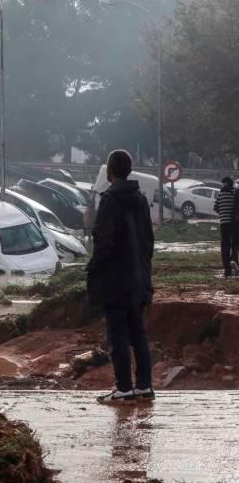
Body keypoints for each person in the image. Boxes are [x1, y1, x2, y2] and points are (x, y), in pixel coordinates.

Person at [87, 150, 154, 404]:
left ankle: (123, 388)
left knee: (117, 335)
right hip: (138, 278)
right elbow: (149, 240)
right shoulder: (141, 199)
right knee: (138, 333)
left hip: (115, 280)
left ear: (109, 171)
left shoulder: (109, 200)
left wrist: (94, 269)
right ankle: (144, 386)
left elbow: (103, 242)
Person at [213, 176, 236, 277]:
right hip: (233, 223)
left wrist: (222, 213)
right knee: (234, 245)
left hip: (223, 223)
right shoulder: (234, 194)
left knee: (224, 246)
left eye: (223, 183)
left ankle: (227, 268)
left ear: (225, 183)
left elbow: (215, 208)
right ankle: (234, 263)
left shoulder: (220, 194)